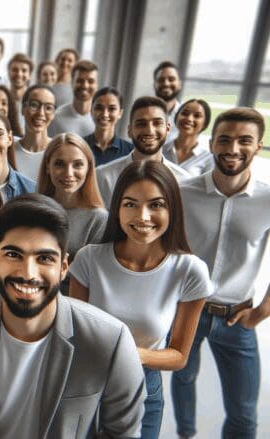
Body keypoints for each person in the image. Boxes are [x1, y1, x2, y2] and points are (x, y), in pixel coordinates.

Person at [0, 194, 146, 438]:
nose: (28, 273)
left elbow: (123, 434)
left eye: (44, 258)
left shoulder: (111, 340)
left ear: (64, 267)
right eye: (13, 254)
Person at [70, 160, 212, 438]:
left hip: (144, 388)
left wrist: (133, 355)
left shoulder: (189, 270)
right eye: (131, 204)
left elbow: (179, 356)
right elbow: (75, 336)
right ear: (117, 209)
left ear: (172, 208)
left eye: (156, 205)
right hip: (86, 385)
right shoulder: (89, 259)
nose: (142, 216)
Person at [171, 108, 270, 439]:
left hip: (237, 315)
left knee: (243, 414)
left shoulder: (268, 199)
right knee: (183, 379)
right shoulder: (183, 193)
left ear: (258, 146)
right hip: (188, 310)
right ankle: (186, 434)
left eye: (244, 140)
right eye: (224, 139)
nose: (232, 149)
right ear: (211, 143)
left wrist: (261, 312)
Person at [37, 133, 107, 293]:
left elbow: (91, 276)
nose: (68, 173)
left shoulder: (99, 219)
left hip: (75, 304)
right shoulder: (33, 210)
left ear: (88, 167)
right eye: (60, 164)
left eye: (77, 164)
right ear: (48, 167)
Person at [96, 96, 190, 207]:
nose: (149, 131)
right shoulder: (103, 176)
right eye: (141, 124)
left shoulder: (183, 181)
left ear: (168, 128)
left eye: (157, 123)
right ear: (129, 131)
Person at [11, 85, 57, 181]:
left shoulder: (58, 150)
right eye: (34, 105)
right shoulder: (9, 148)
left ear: (53, 114)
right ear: (23, 109)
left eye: (48, 108)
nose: (41, 113)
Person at [83, 86, 135, 166]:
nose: (105, 114)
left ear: (120, 113)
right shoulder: (79, 145)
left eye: (112, 109)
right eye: (99, 108)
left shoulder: (130, 152)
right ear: (91, 111)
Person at [161, 98, 213, 176]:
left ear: (205, 124)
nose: (189, 119)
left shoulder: (208, 158)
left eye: (197, 116)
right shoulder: (161, 150)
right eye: (185, 113)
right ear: (176, 117)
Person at [49, 59, 97, 137]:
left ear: (96, 85)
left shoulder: (102, 118)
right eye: (80, 81)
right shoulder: (56, 117)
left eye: (91, 81)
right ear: (71, 83)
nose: (85, 86)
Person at [153, 61, 182, 141]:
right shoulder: (142, 113)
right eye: (161, 80)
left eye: (171, 79)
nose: (166, 83)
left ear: (179, 84)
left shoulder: (186, 117)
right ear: (154, 85)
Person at [7, 53, 33, 136]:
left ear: (29, 75)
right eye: (15, 70)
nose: (19, 74)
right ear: (8, 72)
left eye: (24, 70)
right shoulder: (1, 99)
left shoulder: (35, 102)